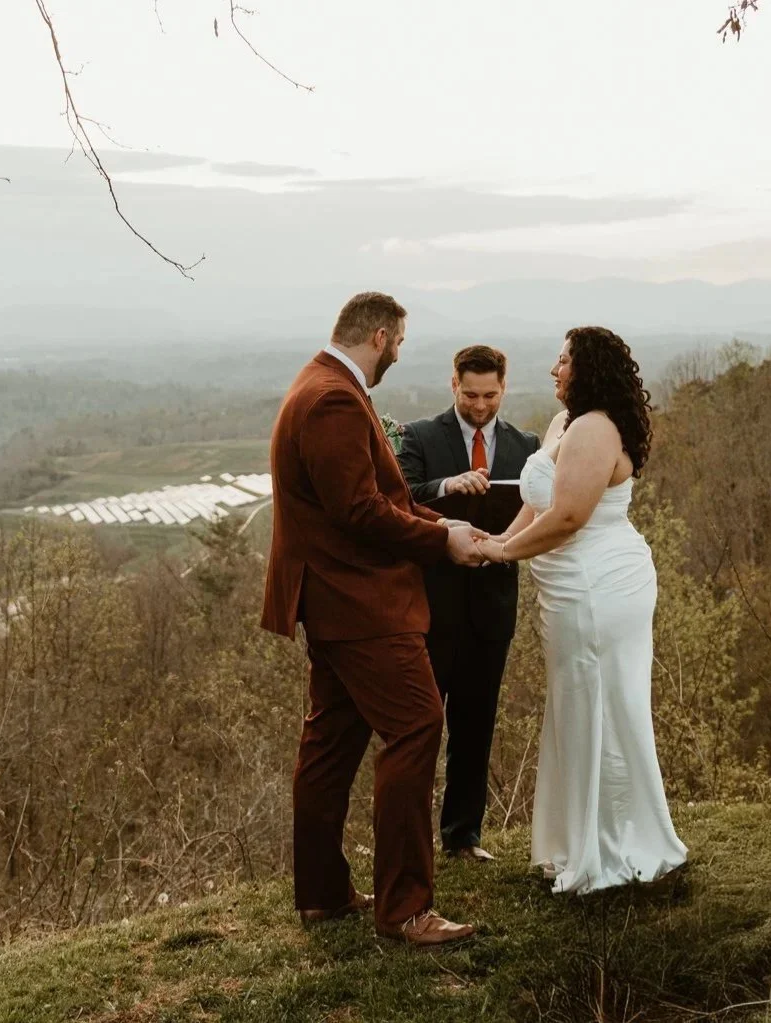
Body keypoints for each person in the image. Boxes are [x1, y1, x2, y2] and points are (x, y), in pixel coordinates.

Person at [260, 291, 484, 945]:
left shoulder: (318, 382)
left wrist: (443, 523)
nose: (397, 355)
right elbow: (358, 511)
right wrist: (441, 541)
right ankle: (405, 909)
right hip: (359, 604)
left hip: (334, 602)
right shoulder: (331, 397)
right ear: (381, 336)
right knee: (416, 725)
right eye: (400, 344)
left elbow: (378, 499)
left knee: (329, 745)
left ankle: (323, 893)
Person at [477, 326, 688, 894]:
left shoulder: (595, 429)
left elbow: (569, 517)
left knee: (604, 705)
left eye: (564, 360)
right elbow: (536, 501)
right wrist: (493, 544)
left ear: (587, 367)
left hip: (599, 586)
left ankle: (616, 849)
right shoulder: (565, 424)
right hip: (565, 588)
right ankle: (577, 840)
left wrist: (502, 552)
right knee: (577, 706)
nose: (553, 368)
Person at [397, 345, 540, 862]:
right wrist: (446, 485)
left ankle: (462, 838)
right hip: (431, 606)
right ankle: (409, 842)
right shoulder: (419, 436)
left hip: (492, 606)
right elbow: (401, 495)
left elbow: (539, 511)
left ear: (504, 387)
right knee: (419, 727)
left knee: (476, 725)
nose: (480, 406)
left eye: (491, 395)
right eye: (470, 394)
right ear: (452, 384)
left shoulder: (528, 445)